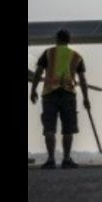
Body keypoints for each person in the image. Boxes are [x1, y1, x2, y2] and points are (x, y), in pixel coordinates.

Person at [29, 29, 91, 169]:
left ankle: (51, 160)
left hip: (49, 93)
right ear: (69, 40)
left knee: (49, 128)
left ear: (57, 39)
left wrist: (33, 90)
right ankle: (66, 159)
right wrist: (86, 98)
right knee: (68, 129)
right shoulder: (76, 56)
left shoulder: (48, 53)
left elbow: (38, 72)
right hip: (68, 94)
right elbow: (82, 79)